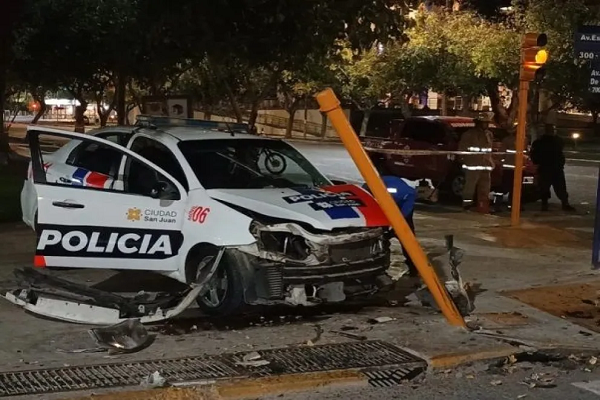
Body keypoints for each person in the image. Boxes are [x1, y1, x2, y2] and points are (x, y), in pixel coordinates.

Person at [363, 176, 436, 278]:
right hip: (386, 203)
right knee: (382, 237)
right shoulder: (374, 188)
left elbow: (403, 216)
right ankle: (380, 265)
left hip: (397, 205)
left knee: (406, 238)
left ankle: (413, 267)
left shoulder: (407, 196)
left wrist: (395, 230)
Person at [530, 124, 575, 212]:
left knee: (544, 187)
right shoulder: (557, 141)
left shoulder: (539, 142)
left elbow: (534, 154)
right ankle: (564, 203)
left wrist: (537, 163)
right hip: (555, 168)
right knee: (559, 187)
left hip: (545, 168)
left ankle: (545, 204)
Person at [458, 112, 495, 213]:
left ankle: (483, 205)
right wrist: (465, 161)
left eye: (487, 123)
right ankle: (467, 204)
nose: (486, 125)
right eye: (484, 123)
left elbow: (489, 150)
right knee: (470, 186)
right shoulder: (469, 135)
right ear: (478, 123)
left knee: (485, 187)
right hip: (472, 165)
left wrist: (491, 162)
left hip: (485, 166)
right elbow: (462, 150)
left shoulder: (489, 134)